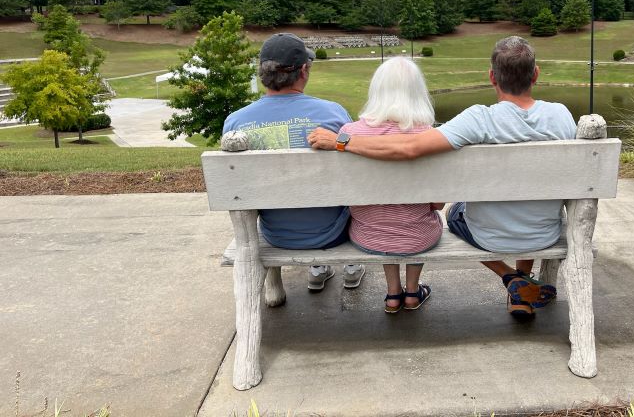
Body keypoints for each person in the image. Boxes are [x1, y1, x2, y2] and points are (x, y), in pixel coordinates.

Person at [308, 36, 576, 316]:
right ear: (535, 74)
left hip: (488, 236)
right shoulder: (562, 115)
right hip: (544, 233)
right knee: (528, 201)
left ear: (491, 77)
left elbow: (410, 147)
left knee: (455, 214)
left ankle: (512, 279)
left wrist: (344, 142)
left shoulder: (478, 119)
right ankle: (520, 285)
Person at [223, 33, 364, 291]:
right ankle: (349, 267)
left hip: (275, 234)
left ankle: (318, 269)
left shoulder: (235, 123)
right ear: (303, 71)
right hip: (332, 233)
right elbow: (354, 174)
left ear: (262, 73)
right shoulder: (334, 113)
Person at [338, 58, 443, 312]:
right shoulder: (429, 136)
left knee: (381, 214)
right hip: (419, 238)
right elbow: (438, 203)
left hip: (368, 235)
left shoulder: (348, 134)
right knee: (420, 216)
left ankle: (393, 294)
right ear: (418, 93)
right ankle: (412, 292)